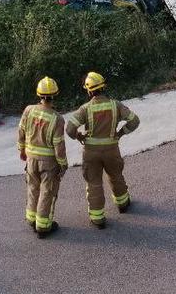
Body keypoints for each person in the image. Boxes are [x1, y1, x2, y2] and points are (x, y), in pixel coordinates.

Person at [65, 71, 140, 228]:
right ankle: (123, 204)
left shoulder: (85, 108)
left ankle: (97, 218)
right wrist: (120, 133)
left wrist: (79, 137)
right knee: (116, 176)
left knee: (94, 183)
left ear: (89, 90)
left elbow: (70, 129)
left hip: (91, 152)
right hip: (112, 149)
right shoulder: (116, 105)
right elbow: (134, 121)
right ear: (103, 87)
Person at [18, 76, 67, 238]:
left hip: (31, 160)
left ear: (38, 94)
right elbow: (59, 145)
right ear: (55, 95)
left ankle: (32, 220)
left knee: (33, 189)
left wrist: (22, 150)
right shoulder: (57, 119)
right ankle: (43, 226)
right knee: (47, 192)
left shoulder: (28, 110)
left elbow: (21, 131)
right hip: (49, 164)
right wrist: (63, 164)